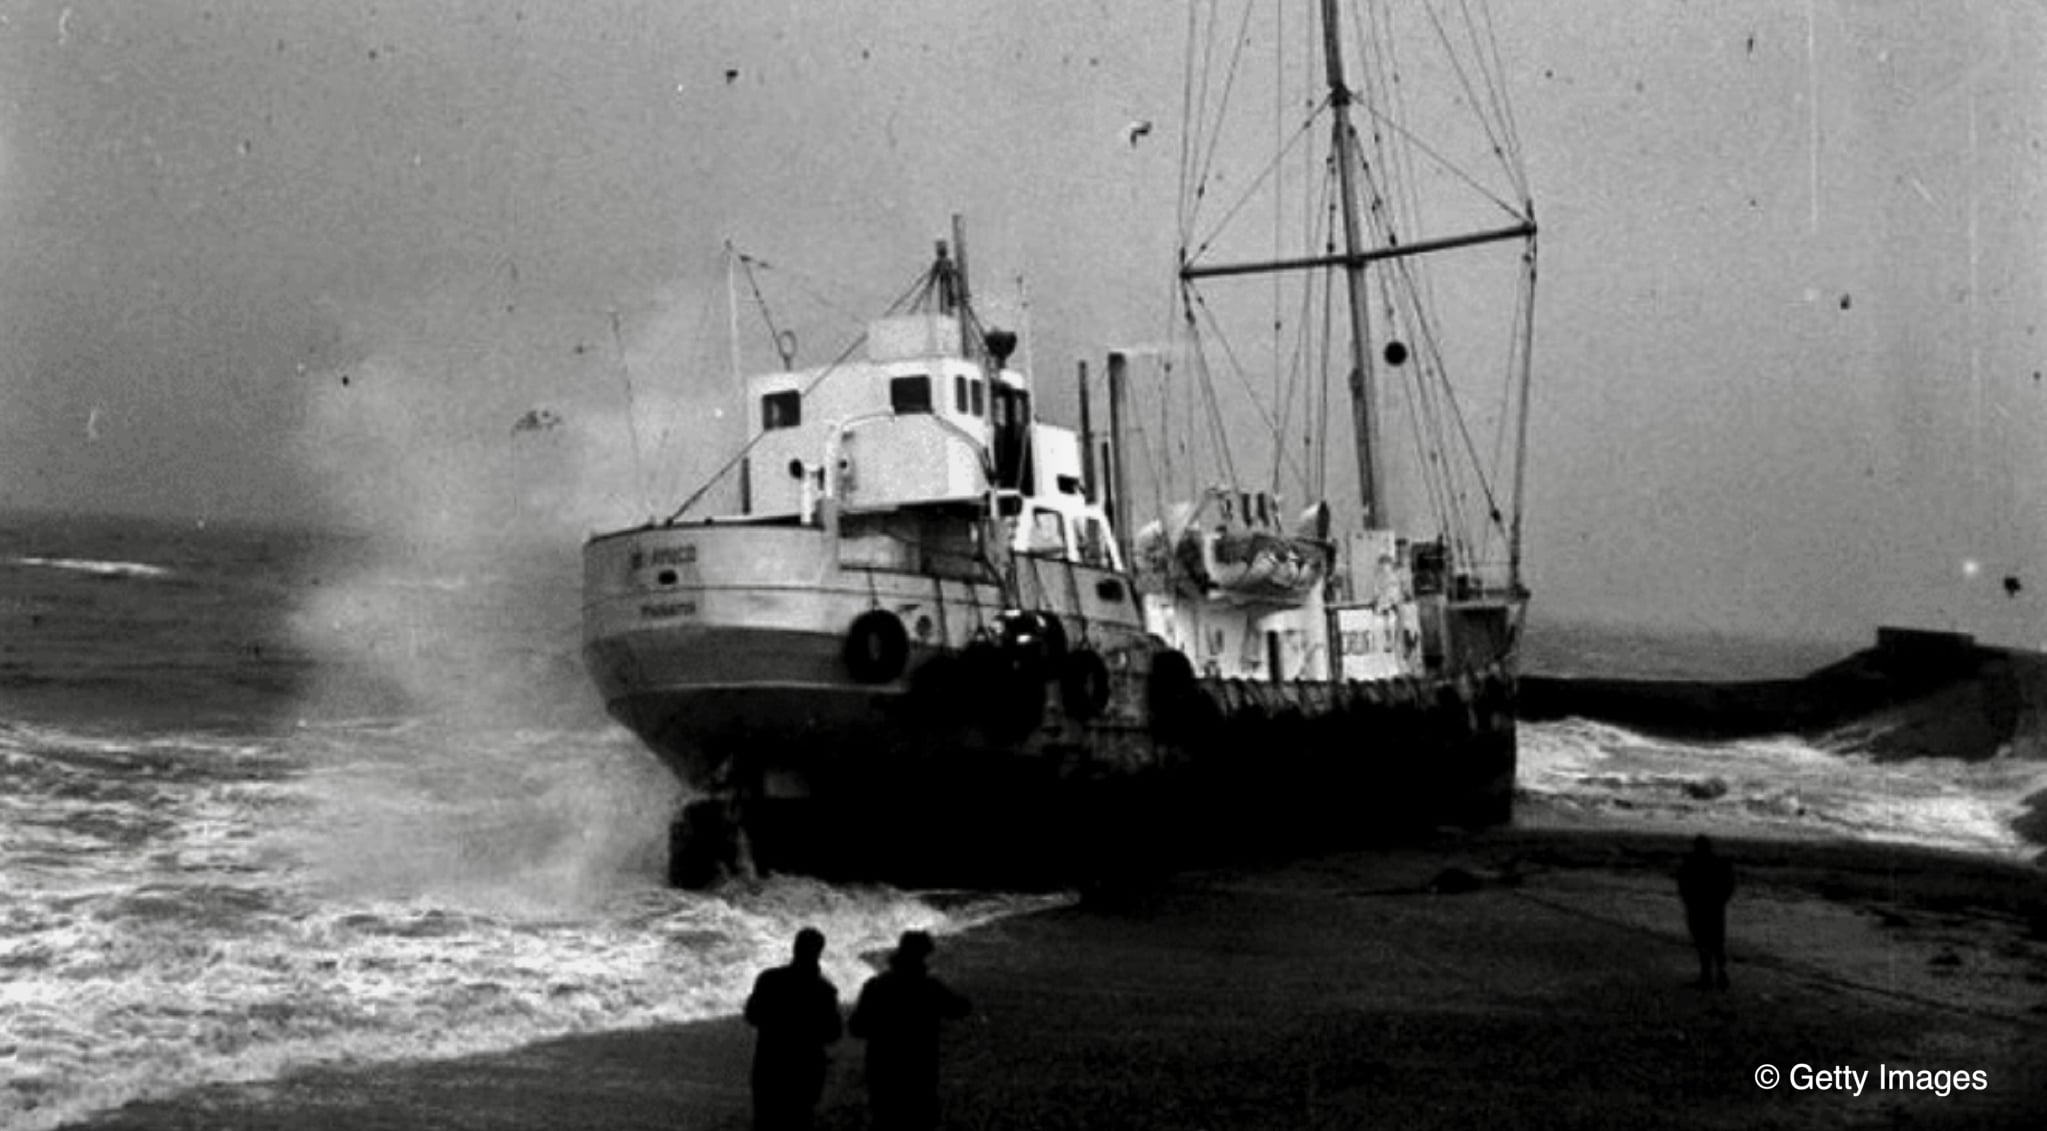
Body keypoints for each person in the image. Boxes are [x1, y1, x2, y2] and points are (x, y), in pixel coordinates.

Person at [848, 930, 972, 1131]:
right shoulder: (930, 987)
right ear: (923, 956)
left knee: (884, 1120)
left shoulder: (876, 985)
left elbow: (857, 1028)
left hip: (882, 1067)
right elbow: (959, 1009)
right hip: (919, 1067)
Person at [744, 927, 843, 1131]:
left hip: (770, 1063)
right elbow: (833, 1034)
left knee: (765, 1121)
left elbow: (752, 1016)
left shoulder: (769, 979)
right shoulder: (825, 991)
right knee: (800, 1120)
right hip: (806, 1068)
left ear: (794, 948)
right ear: (819, 952)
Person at [1676, 834, 1735, 989]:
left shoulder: (1691, 863)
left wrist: (1687, 899)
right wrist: (1722, 900)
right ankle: (1720, 975)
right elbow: (1729, 885)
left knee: (1702, 942)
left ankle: (1707, 976)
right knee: (1716, 942)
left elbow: (1682, 883)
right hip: (1714, 907)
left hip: (1698, 906)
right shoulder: (1720, 864)